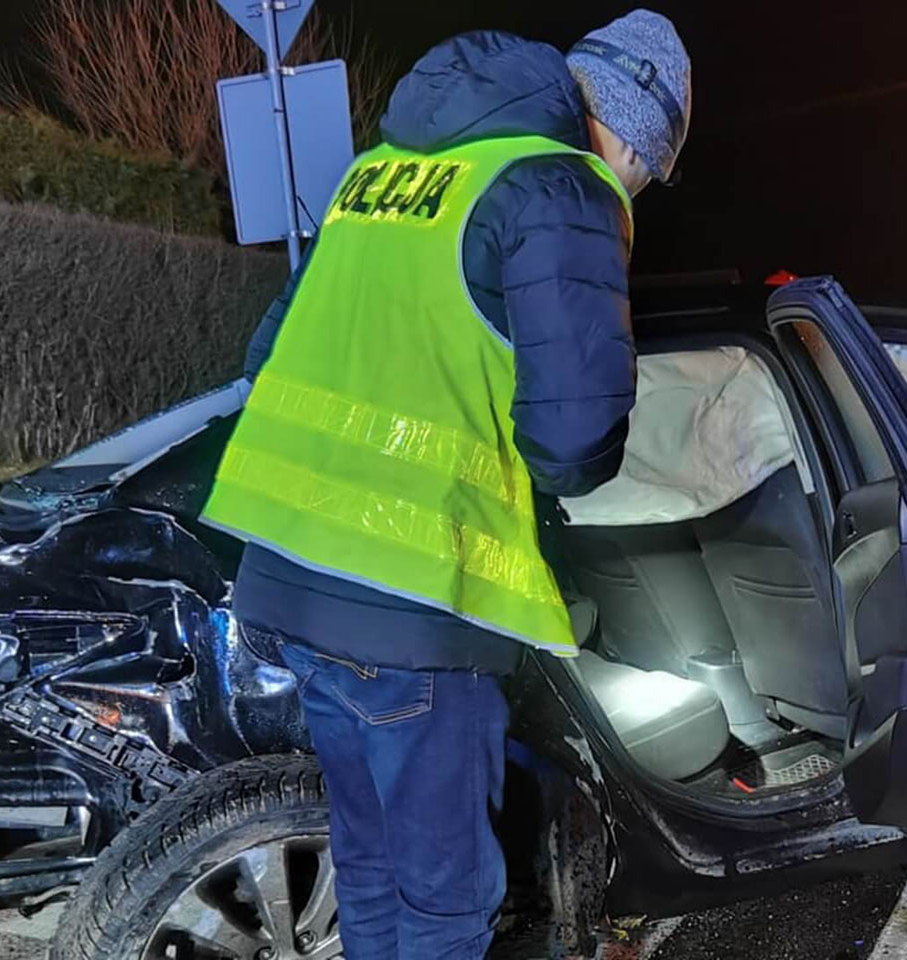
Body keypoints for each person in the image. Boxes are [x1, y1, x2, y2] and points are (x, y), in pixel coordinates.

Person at [202, 10, 691, 958]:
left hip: (293, 586)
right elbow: (573, 443)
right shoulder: (560, 185)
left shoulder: (379, 175)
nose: (639, 187)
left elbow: (271, 358)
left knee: (373, 866)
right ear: (631, 130)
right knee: (447, 900)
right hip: (417, 606)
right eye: (651, 169)